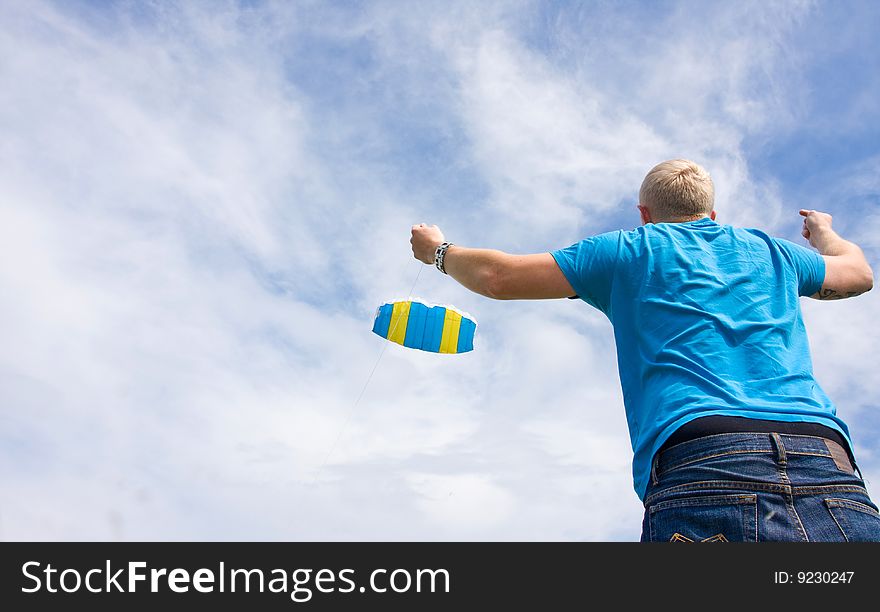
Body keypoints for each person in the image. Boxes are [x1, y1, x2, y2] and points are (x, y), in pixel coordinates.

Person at [409, 159, 880, 542]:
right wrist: (822, 233)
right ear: (712, 215)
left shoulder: (625, 250)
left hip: (702, 459)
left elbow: (499, 277)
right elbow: (857, 274)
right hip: (825, 460)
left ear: (644, 213)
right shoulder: (772, 252)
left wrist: (438, 250)